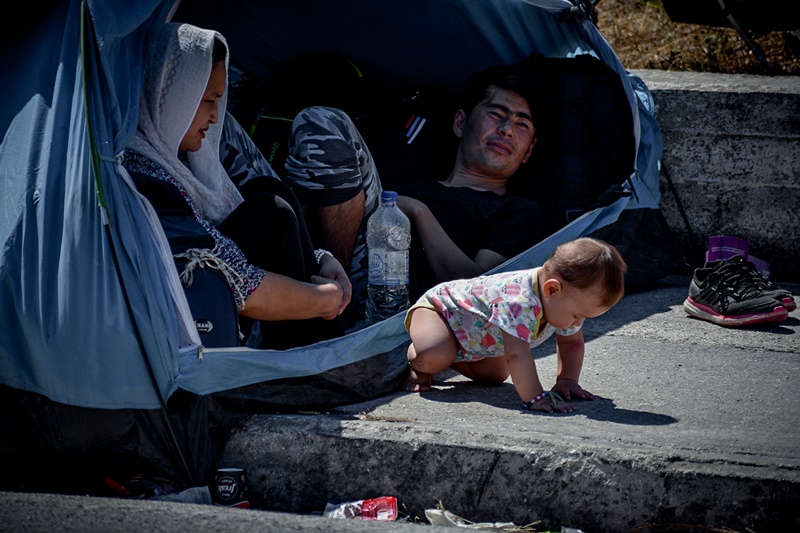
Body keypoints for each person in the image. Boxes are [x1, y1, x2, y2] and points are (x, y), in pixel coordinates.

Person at [122, 22, 351, 349]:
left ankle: (316, 341)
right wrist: (322, 301)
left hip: (221, 289)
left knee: (268, 194)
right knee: (268, 212)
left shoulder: (178, 162)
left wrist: (321, 260)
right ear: (171, 96)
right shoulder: (145, 175)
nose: (216, 117)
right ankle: (310, 349)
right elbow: (235, 279)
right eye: (207, 101)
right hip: (197, 314)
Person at [280, 62, 554, 322]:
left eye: (522, 125)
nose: (506, 130)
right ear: (460, 123)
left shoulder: (516, 211)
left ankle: (331, 301)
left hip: (383, 299)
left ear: (528, 150)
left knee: (324, 121)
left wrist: (418, 213)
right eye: (496, 115)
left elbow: (479, 293)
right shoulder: (409, 183)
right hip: (314, 249)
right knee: (236, 138)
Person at [403, 237, 627, 413]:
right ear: (552, 289)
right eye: (577, 315)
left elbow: (571, 344)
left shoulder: (560, 302)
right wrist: (536, 398)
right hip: (441, 311)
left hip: (475, 336)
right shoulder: (518, 301)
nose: (578, 323)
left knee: (495, 375)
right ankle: (418, 360)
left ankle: (451, 355)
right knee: (434, 355)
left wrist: (567, 380)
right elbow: (517, 354)